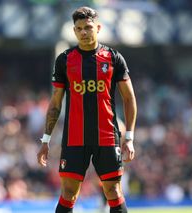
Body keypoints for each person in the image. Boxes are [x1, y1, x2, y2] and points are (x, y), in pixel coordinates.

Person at [37, 6, 137, 213]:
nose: (84, 32)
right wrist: (45, 140)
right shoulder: (64, 60)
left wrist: (129, 137)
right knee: (68, 193)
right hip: (74, 138)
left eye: (88, 27)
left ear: (97, 28)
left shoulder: (113, 58)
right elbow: (56, 103)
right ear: (74, 31)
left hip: (107, 136)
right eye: (79, 28)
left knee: (113, 191)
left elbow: (129, 98)